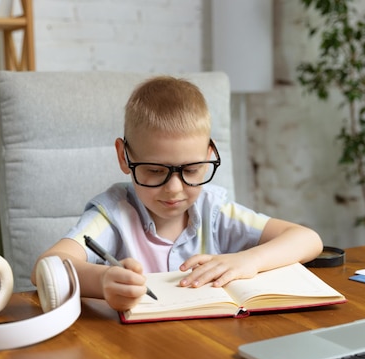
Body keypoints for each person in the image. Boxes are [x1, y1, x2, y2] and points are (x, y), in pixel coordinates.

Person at [32, 75, 323, 312]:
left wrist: (248, 261)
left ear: (209, 155)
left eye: (193, 170)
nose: (174, 189)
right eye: (155, 171)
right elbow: (46, 267)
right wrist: (104, 280)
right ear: (124, 158)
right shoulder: (114, 213)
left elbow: (308, 239)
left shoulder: (214, 209)